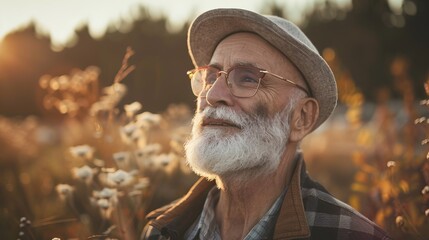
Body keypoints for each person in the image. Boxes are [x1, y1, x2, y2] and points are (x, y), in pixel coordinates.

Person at [142, 8, 391, 240]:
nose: (212, 94)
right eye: (209, 77)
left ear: (301, 118)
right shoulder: (160, 230)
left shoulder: (351, 234)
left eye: (248, 78)